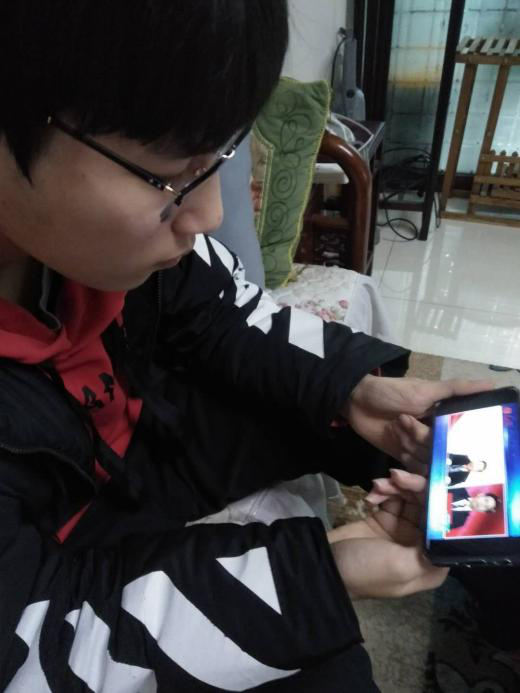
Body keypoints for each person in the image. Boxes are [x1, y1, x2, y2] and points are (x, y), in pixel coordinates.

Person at [0, 2, 494, 690]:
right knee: (320, 662)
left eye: (219, 156)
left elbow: (225, 310)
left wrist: (356, 390)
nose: (209, 215)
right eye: (170, 175)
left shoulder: (103, 253)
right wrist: (319, 575)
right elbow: (34, 648)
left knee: (409, 435)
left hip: (143, 447)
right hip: (66, 542)